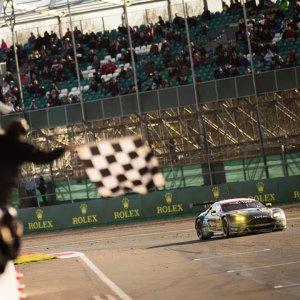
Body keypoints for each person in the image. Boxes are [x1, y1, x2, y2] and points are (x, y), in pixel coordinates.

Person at [0, 118, 70, 276]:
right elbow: (43, 158)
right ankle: (10, 241)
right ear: (21, 133)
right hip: (4, 188)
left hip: (4, 188)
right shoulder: (20, 147)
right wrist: (62, 150)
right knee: (10, 216)